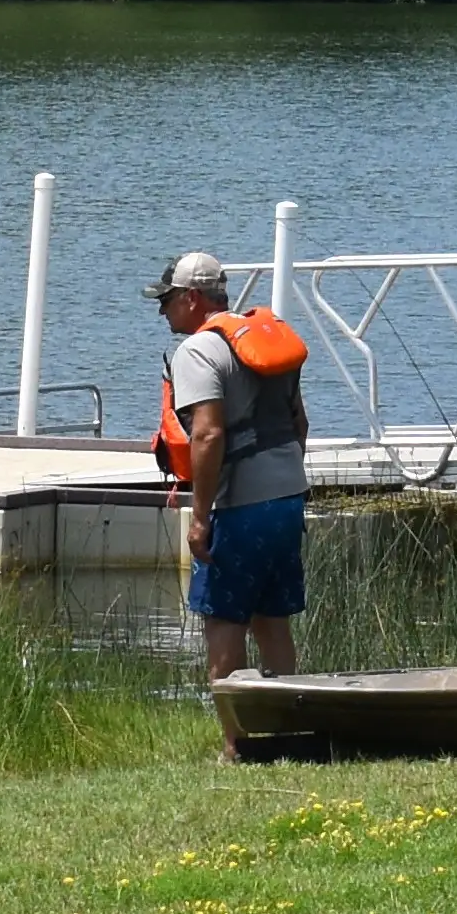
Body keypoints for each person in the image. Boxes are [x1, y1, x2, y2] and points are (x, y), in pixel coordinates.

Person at [150, 249, 310, 689]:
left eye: (168, 299)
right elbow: (300, 424)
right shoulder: (268, 341)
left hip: (240, 508)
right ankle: (288, 730)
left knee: (223, 622)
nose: (162, 309)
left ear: (193, 298)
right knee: (273, 622)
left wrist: (200, 517)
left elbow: (207, 435)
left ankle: (235, 746)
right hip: (288, 500)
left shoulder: (198, 350)